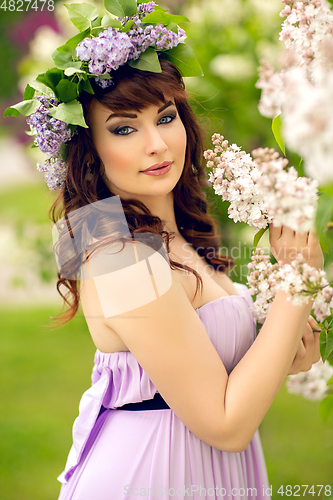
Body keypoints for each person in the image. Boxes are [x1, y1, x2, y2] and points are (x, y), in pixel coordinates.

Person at [5, 3, 323, 498]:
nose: (157, 144)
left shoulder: (181, 235)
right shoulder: (116, 253)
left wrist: (283, 346)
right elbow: (224, 423)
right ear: (90, 149)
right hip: (151, 476)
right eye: (124, 128)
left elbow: (212, 377)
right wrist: (296, 284)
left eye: (167, 117)